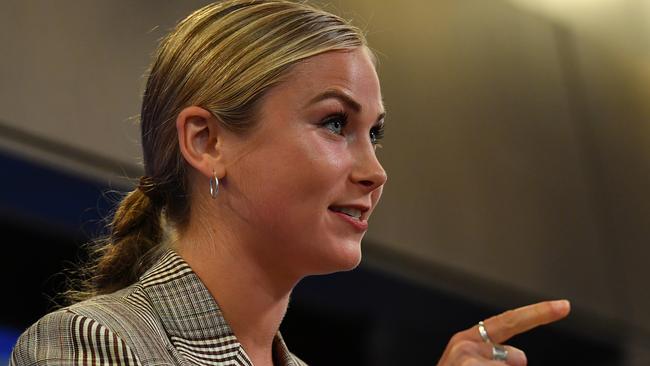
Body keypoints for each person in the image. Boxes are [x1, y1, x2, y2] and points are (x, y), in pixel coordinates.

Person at [10, 1, 570, 365]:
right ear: (206, 141)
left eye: (374, 133)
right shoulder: (94, 342)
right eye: (335, 123)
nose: (375, 172)